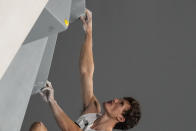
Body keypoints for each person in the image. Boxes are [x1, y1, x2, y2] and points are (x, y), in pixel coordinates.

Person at [29, 9, 141, 131]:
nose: (115, 99)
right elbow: (86, 73)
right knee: (38, 127)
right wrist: (89, 32)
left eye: (120, 104)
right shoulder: (93, 109)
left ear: (120, 118)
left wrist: (52, 102)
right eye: (120, 99)